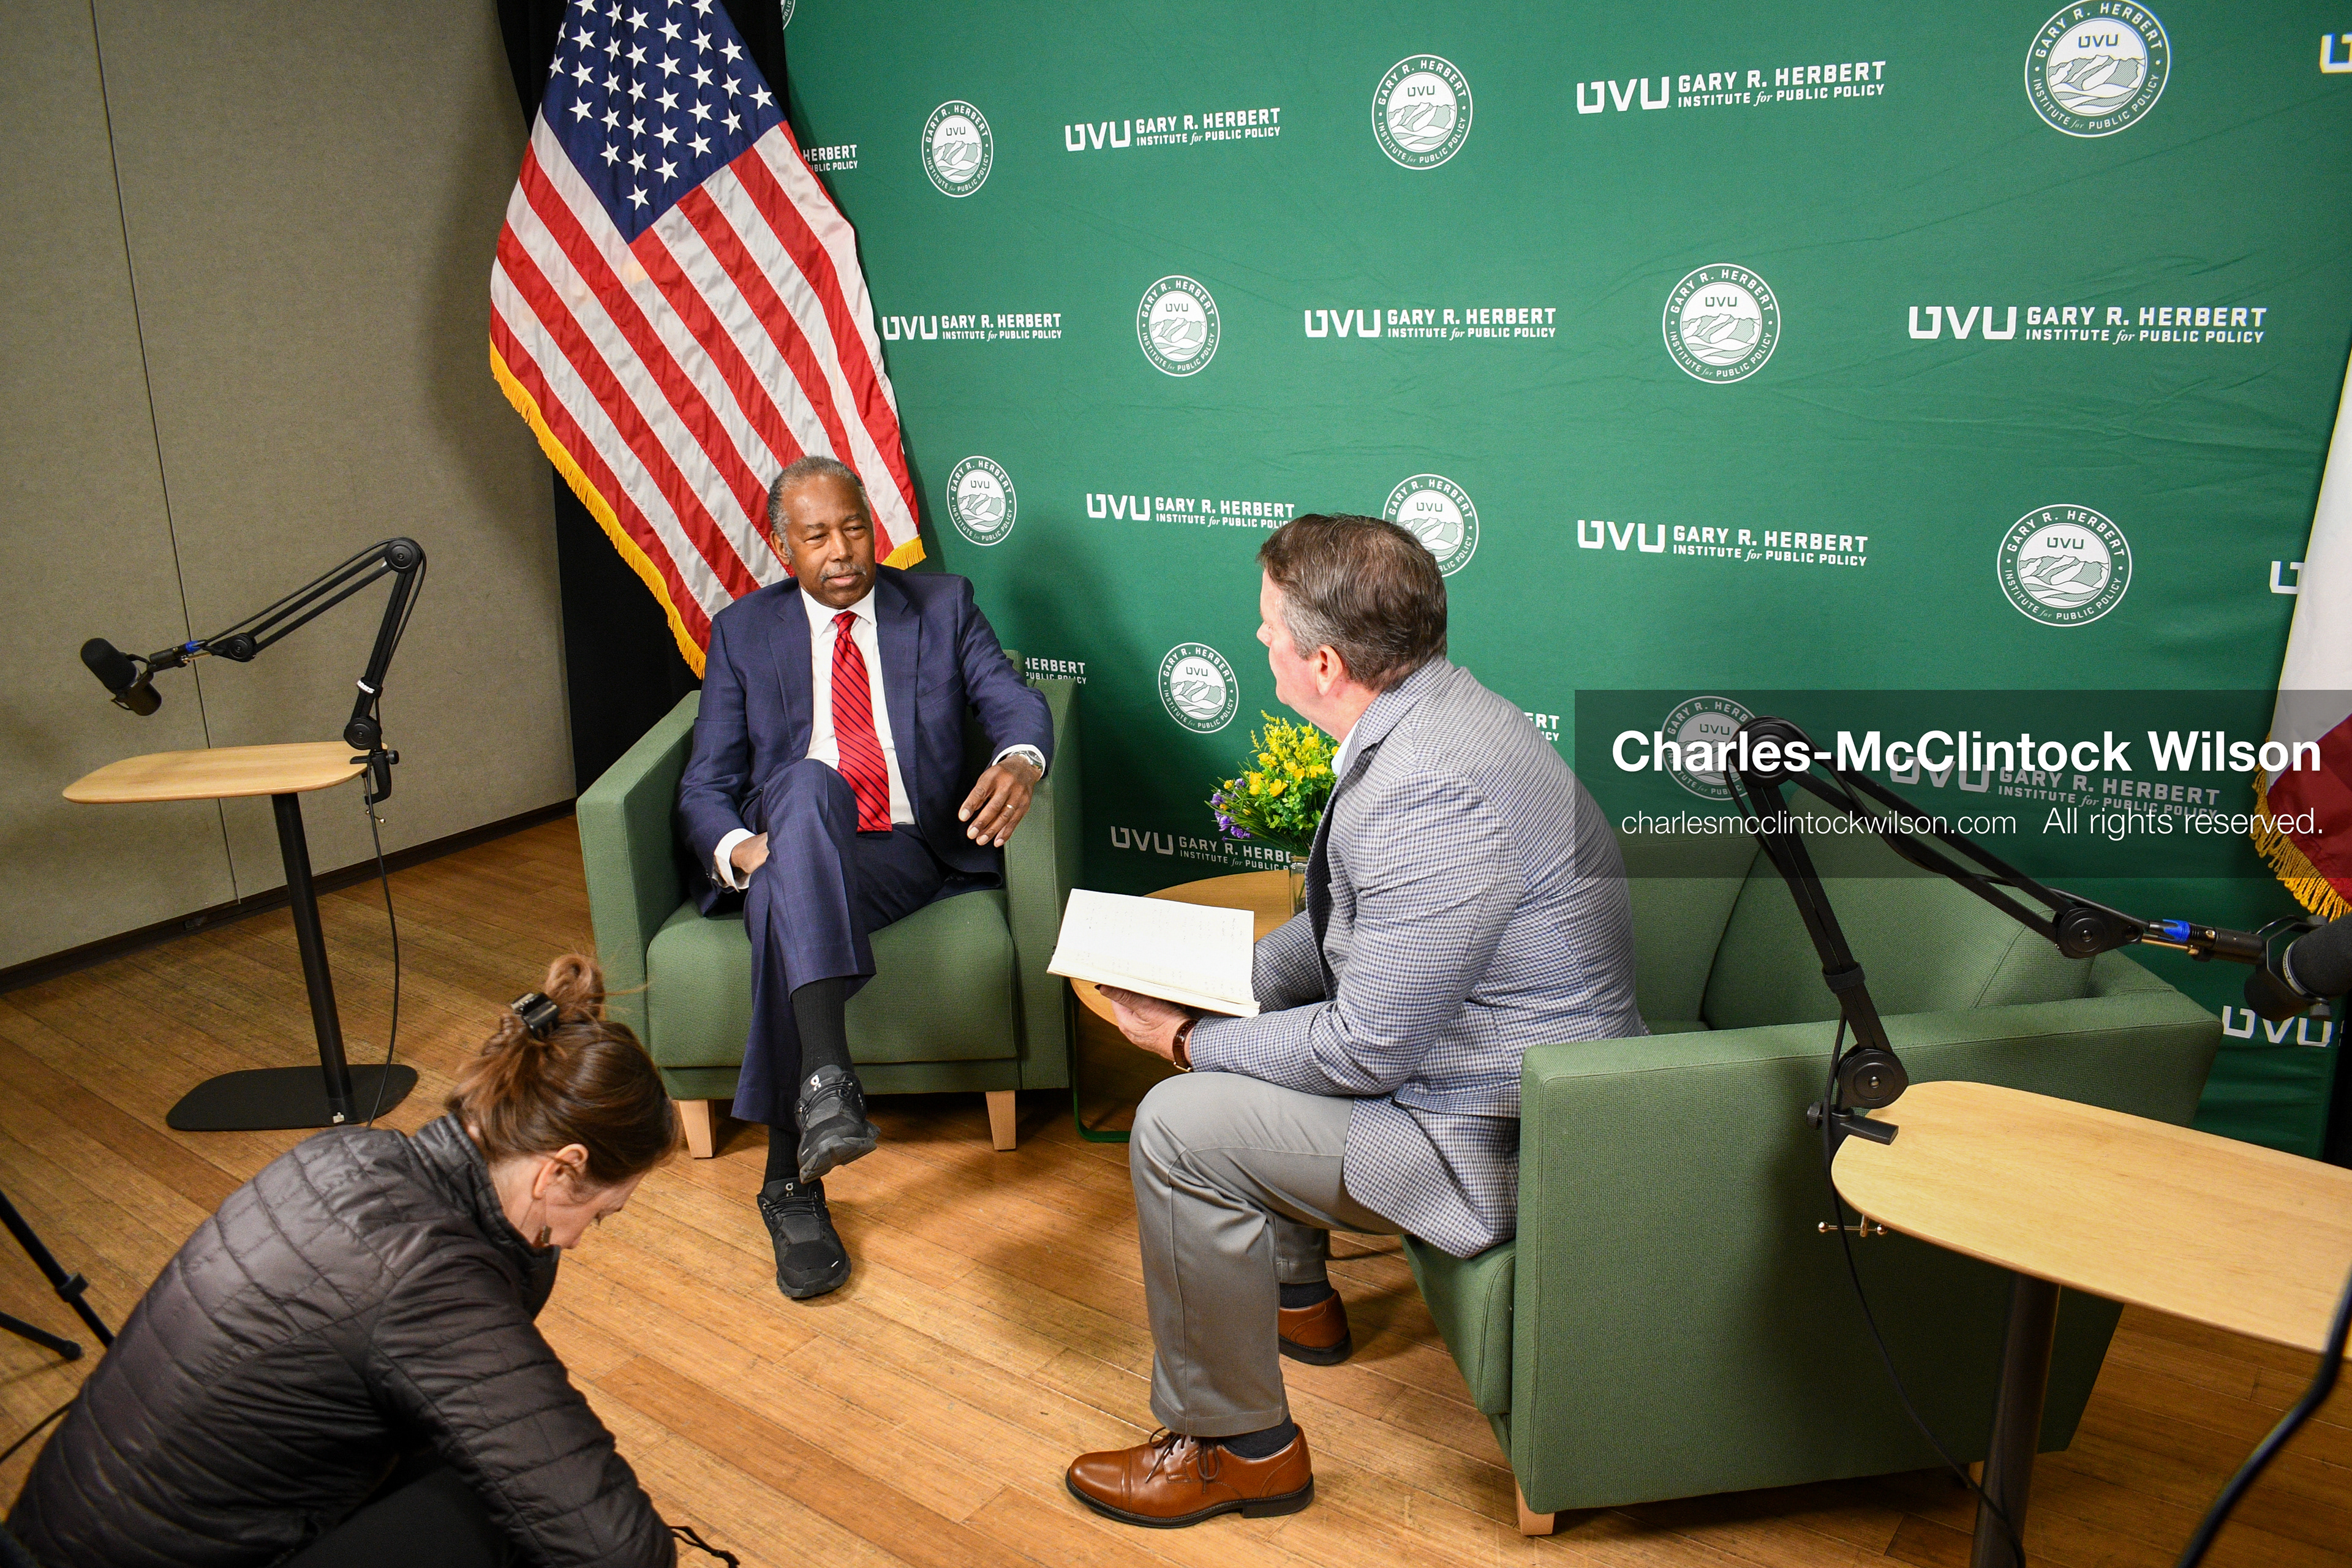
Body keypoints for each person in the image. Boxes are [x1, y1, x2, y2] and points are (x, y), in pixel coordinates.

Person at [1065, 514, 1643, 1528]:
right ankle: (1300, 1300)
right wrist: (1225, 984)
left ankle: (1239, 1450)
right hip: (1484, 1074)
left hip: (1511, 1129)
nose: (1259, 643)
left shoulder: (1428, 785)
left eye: (1268, 630)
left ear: (1325, 662)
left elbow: (1368, 1045)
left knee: (1180, 1124)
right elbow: (1349, 926)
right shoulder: (1436, 711)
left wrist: (1189, 1040)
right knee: (1253, 1038)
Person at [6, 956, 685, 1568]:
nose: (577, 1239)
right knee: (503, 1512)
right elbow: (620, 1548)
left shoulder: (346, 1156)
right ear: (561, 1168)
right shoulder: (428, 1277)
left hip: (48, 1536)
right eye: (598, 1213)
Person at [676, 454, 1053, 1300]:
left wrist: (1023, 758)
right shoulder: (744, 631)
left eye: (855, 528)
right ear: (784, 548)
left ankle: (794, 1171)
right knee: (801, 801)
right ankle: (811, 1126)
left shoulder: (942, 604)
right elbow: (706, 783)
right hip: (790, 843)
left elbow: (1010, 698)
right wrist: (742, 850)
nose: (843, 551)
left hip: (906, 849)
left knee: (792, 867)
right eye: (817, 536)